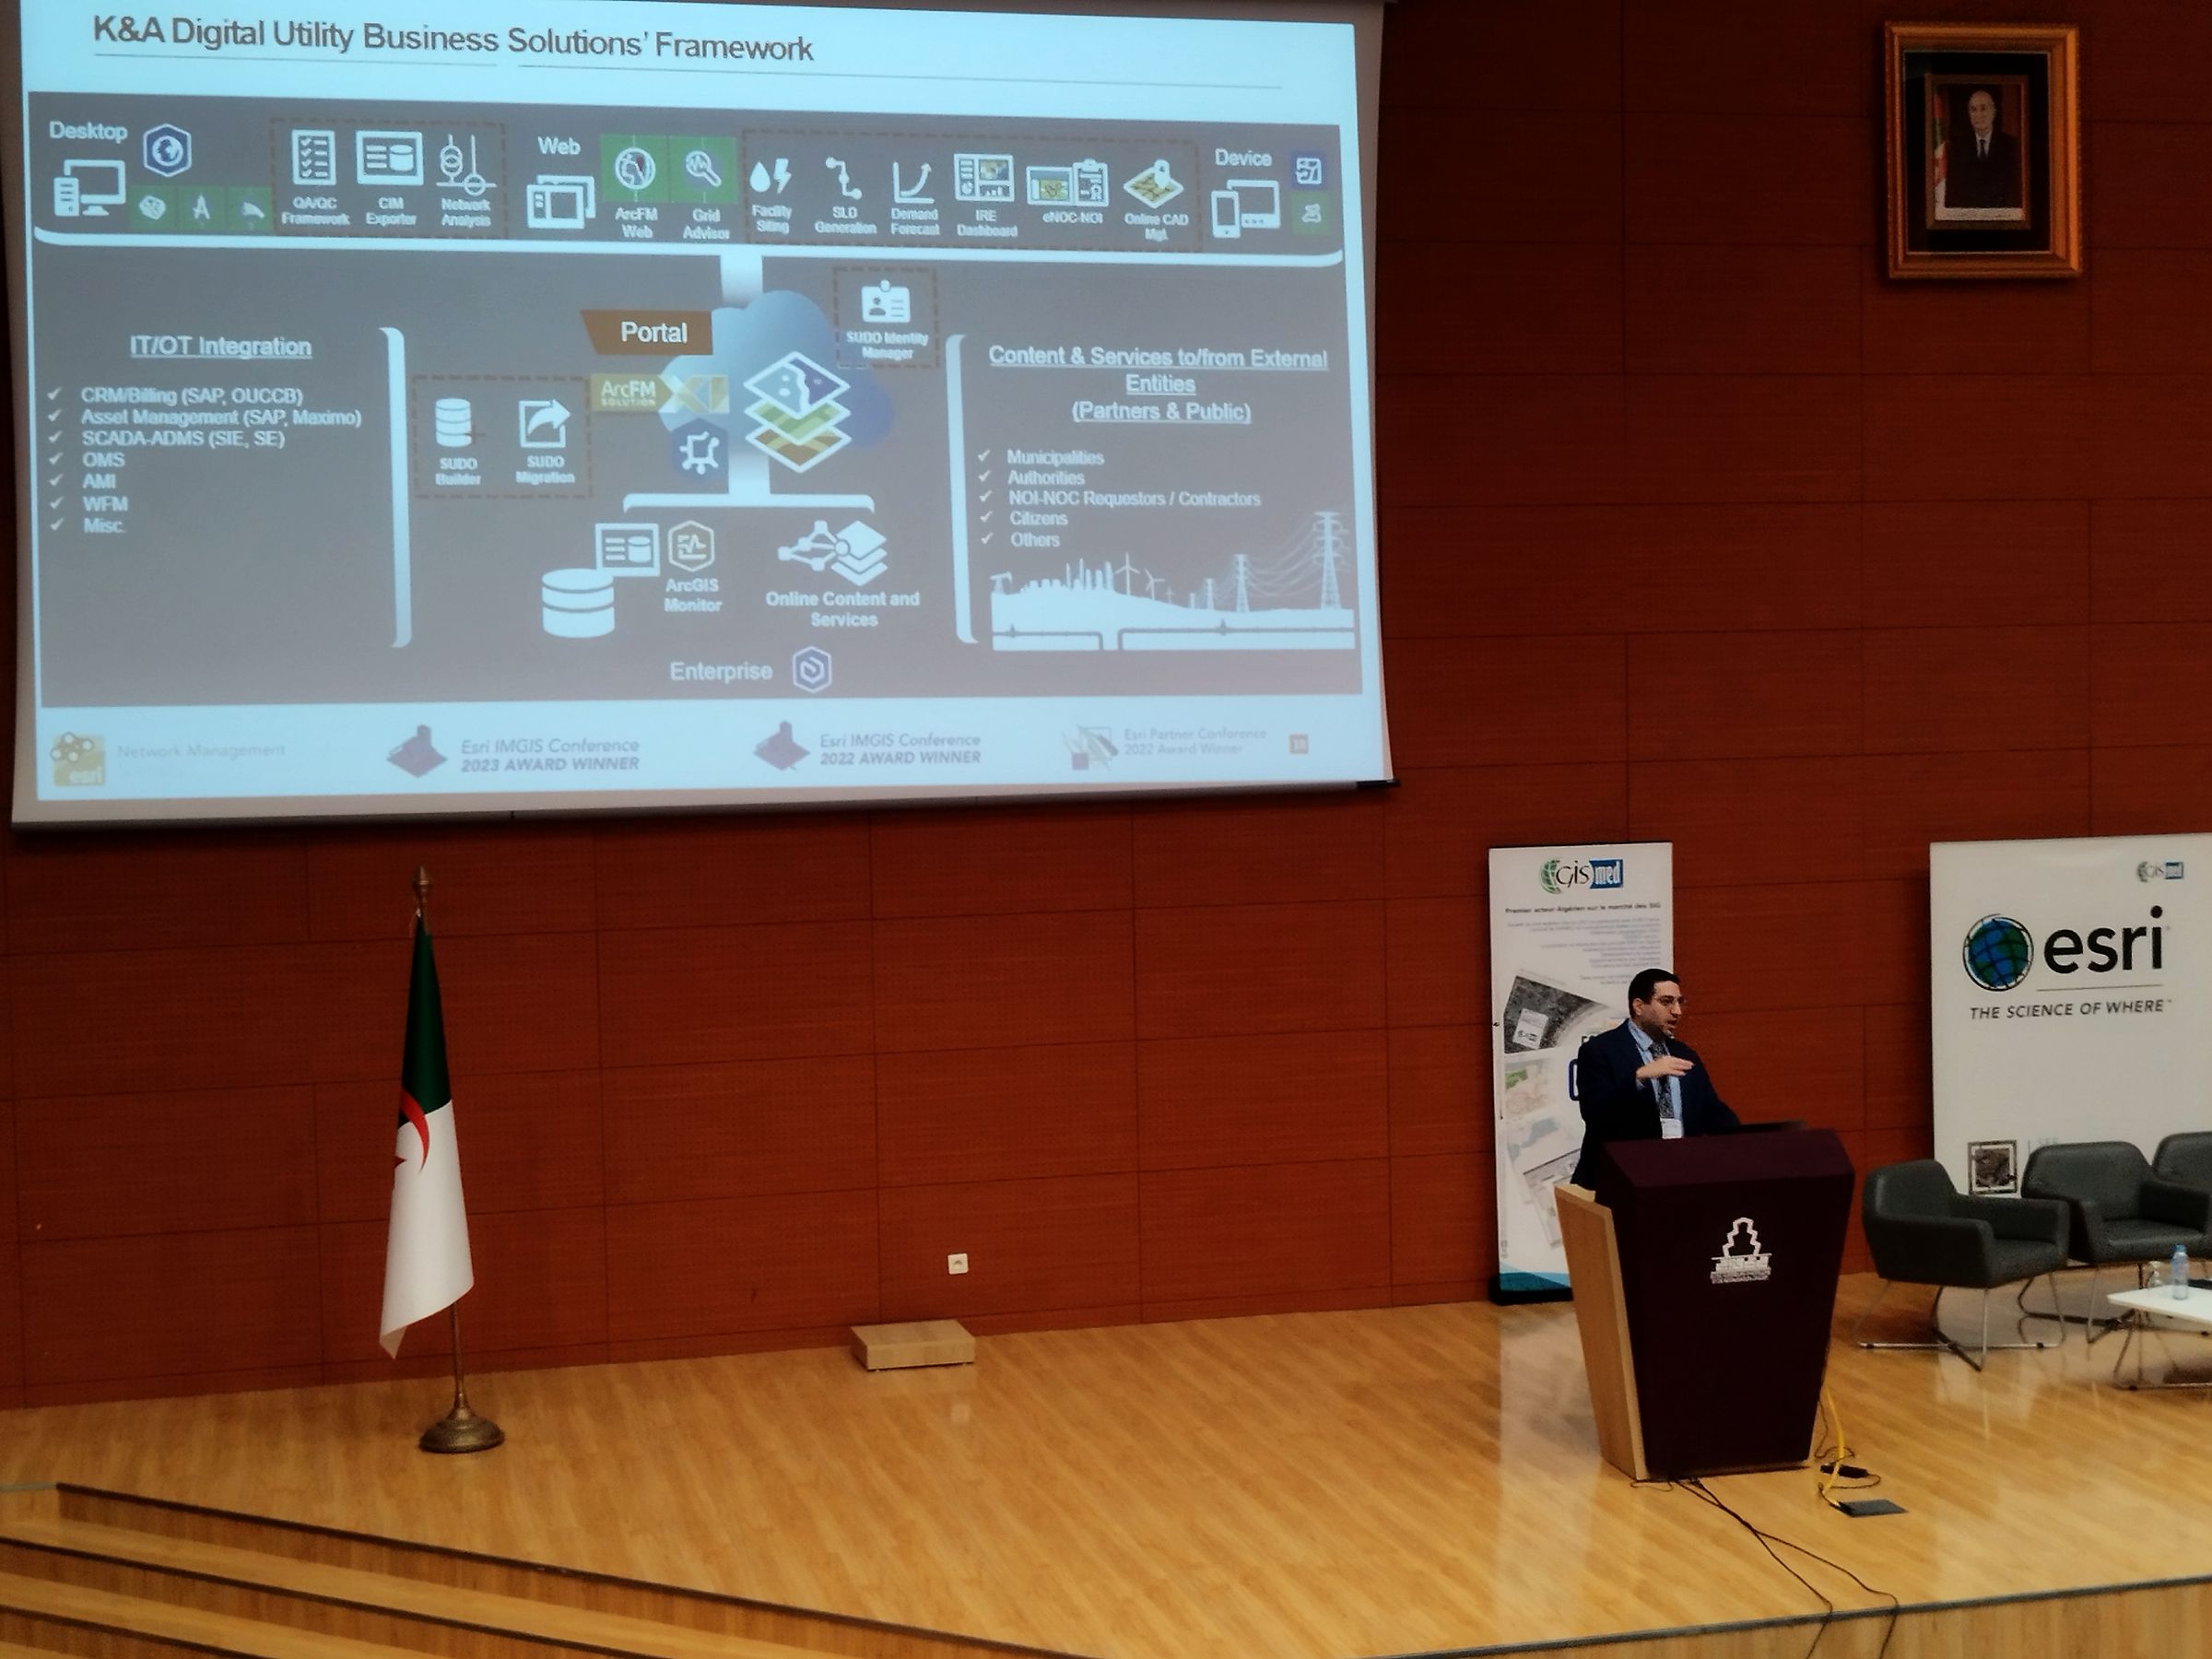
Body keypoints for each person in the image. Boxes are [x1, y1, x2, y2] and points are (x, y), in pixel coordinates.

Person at [1569, 968, 1738, 1186]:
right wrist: (1639, 1077)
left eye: (1679, 1002)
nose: (1677, 1011)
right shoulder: (1600, 1051)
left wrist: (1749, 1142)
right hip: (1620, 1180)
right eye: (1667, 1002)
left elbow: (1712, 1112)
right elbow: (1596, 1115)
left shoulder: (1684, 1054)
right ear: (1639, 1006)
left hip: (1679, 1175)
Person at [1943, 87, 2022, 210]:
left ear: (1994, 111)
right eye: (1973, 110)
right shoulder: (1957, 148)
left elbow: (2015, 191)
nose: (1978, 115)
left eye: (1983, 108)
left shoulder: (2011, 145)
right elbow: (1953, 193)